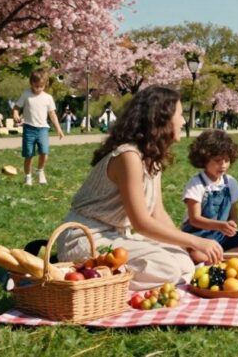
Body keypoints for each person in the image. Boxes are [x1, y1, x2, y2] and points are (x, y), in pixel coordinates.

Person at [55, 86, 222, 290]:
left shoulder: (152, 158)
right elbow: (142, 223)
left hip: (116, 236)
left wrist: (187, 246)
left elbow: (157, 213)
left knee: (184, 263)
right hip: (86, 238)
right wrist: (197, 242)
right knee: (167, 269)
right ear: (162, 119)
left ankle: (110, 279)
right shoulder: (129, 157)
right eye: (180, 114)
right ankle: (90, 279)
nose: (184, 121)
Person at [181, 130, 238, 261]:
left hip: (222, 236)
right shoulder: (196, 184)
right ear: (204, 160)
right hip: (199, 238)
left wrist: (232, 225)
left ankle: (226, 256)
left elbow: (234, 215)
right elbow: (194, 219)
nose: (223, 165)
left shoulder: (230, 182)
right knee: (197, 254)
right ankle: (232, 256)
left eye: (227, 160)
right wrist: (220, 225)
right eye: (218, 160)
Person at [12, 69, 65, 186]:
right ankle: (28, 177)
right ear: (31, 83)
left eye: (41, 86)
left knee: (44, 153)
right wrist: (15, 114)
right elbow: (16, 107)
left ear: (45, 84)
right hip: (29, 129)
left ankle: (40, 171)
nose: (38, 89)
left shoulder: (48, 98)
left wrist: (58, 129)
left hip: (43, 129)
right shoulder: (26, 95)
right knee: (29, 155)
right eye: (36, 86)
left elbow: (52, 114)